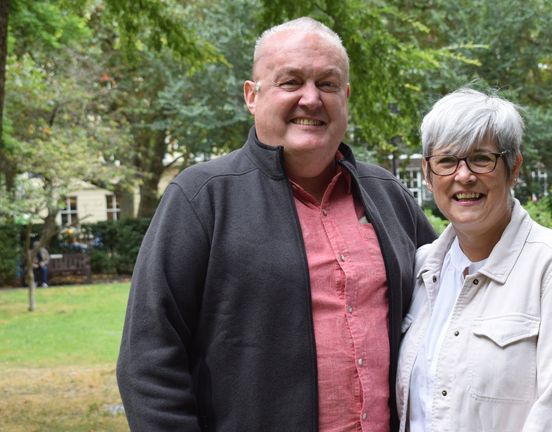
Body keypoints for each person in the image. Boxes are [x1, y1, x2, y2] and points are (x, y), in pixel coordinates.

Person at [116, 17, 435, 431]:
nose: (311, 98)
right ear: (253, 95)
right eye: (291, 82)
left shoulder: (388, 195)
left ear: (346, 96)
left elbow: (446, 308)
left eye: (328, 83)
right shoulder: (202, 197)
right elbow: (149, 358)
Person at [396, 88, 552, 431]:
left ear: (513, 168)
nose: (464, 175)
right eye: (447, 160)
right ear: (427, 172)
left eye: (481, 158)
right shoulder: (423, 269)